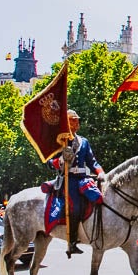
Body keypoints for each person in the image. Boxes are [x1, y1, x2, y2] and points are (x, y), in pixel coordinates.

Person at [48, 109, 104, 257]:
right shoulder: (60, 141)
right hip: (69, 179)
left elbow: (92, 162)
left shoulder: (83, 142)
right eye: (73, 119)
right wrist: (61, 160)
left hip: (84, 178)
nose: (77, 122)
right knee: (76, 206)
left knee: (98, 198)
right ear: (67, 122)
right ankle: (72, 242)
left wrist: (101, 173)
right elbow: (49, 161)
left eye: (77, 119)